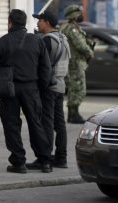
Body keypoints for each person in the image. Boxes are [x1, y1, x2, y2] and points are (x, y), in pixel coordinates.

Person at [0, 9, 53, 174]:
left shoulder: (2, 42)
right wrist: (42, 89)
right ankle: (45, 161)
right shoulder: (37, 41)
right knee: (36, 123)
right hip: (31, 88)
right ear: (25, 23)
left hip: (9, 90)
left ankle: (19, 162)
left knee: (11, 125)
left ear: (10, 23)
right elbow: (46, 68)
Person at [30, 10, 71, 170]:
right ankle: (61, 158)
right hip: (60, 86)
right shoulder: (63, 38)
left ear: (47, 22)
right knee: (59, 123)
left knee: (47, 121)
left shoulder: (47, 41)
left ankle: (44, 158)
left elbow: (41, 65)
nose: (37, 23)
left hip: (48, 87)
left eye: (39, 21)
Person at [61, 4, 94, 124]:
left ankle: (73, 114)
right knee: (79, 89)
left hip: (74, 63)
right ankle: (73, 114)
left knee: (74, 89)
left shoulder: (71, 27)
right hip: (75, 64)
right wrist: (89, 52)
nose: (81, 16)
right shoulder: (71, 28)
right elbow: (80, 45)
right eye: (79, 14)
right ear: (74, 15)